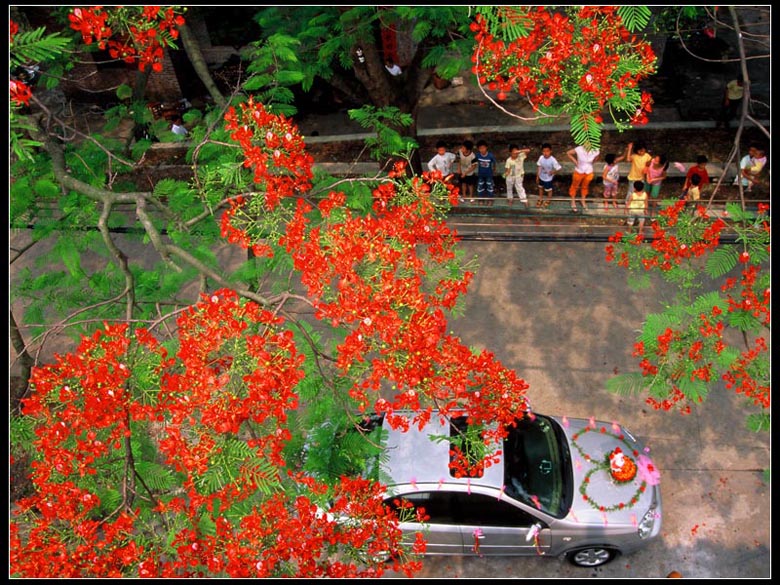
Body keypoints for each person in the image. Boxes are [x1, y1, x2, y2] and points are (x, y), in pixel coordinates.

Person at [566, 144, 600, 212]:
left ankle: (583, 200)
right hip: (579, 170)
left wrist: (591, 164)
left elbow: (596, 158)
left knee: (585, 186)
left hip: (589, 171)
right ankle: (573, 201)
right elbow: (568, 153)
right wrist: (575, 161)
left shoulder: (596, 150)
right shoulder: (579, 149)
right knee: (574, 186)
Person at [504, 144, 531, 208]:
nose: (515, 153)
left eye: (516, 151)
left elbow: (528, 150)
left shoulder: (521, 156)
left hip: (519, 176)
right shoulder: (508, 160)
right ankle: (510, 199)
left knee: (519, 188)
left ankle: (524, 200)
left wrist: (519, 151)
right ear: (510, 152)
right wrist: (505, 175)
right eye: (513, 151)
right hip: (510, 176)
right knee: (509, 188)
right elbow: (507, 170)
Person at [536, 143, 562, 208]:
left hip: (548, 178)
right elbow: (539, 166)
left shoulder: (553, 160)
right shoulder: (541, 157)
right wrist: (537, 176)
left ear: (550, 151)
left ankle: (548, 200)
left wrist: (553, 172)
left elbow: (559, 168)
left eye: (547, 151)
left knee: (549, 190)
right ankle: (540, 198)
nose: (545, 153)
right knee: (540, 187)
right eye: (544, 151)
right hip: (541, 176)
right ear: (542, 151)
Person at [475, 139, 497, 206]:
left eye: (483, 148)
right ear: (478, 149)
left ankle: (490, 200)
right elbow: (473, 162)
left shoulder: (490, 155)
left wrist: (494, 170)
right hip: (481, 174)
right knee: (480, 187)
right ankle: (481, 199)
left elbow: (494, 163)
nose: (482, 150)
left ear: (486, 147)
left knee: (489, 186)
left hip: (489, 174)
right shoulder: (478, 155)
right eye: (480, 148)